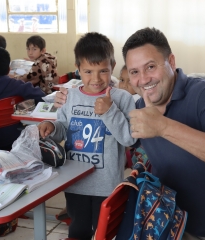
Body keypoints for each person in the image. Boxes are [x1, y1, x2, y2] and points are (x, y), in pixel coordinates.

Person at [54, 27, 205, 239]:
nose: (144, 79)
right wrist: (68, 102)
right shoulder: (139, 106)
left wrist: (163, 126)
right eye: (134, 72)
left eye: (150, 67)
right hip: (164, 220)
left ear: (171, 62)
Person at [38, 32, 136, 240]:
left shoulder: (122, 99)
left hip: (107, 184)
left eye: (103, 71)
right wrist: (51, 127)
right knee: (78, 229)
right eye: (88, 71)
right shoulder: (70, 97)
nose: (96, 79)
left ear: (113, 66)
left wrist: (110, 111)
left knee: (105, 232)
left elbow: (128, 139)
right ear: (78, 69)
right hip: (75, 182)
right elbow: (63, 127)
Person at [0, 46, 45, 150]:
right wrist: (22, 107)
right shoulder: (16, 85)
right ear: (8, 70)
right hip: (11, 142)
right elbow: (41, 97)